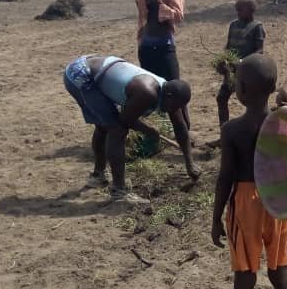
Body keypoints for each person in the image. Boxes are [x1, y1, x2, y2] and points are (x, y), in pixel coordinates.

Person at [211, 56, 287, 289]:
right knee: (280, 272)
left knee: (245, 277)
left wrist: (216, 218)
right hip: (279, 199)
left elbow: (225, 179)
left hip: (245, 204)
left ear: (240, 90)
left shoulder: (231, 130)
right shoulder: (284, 123)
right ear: (272, 87)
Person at [63, 55, 200, 204]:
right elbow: (125, 121)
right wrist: (148, 129)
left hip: (100, 69)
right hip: (81, 74)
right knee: (116, 129)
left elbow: (180, 127)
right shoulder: (147, 93)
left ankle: (97, 176)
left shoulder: (171, 94)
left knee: (105, 124)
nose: (175, 110)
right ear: (169, 96)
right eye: (175, 106)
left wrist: (189, 162)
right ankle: (119, 191)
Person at [135, 0, 188, 126]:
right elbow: (143, 18)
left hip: (165, 45)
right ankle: (161, 128)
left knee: (174, 88)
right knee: (150, 88)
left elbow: (178, 16)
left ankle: (185, 128)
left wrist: (158, 3)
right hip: (146, 45)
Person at [216, 0, 267, 126]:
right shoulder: (233, 25)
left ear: (251, 10)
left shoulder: (257, 27)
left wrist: (241, 62)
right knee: (221, 98)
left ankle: (255, 132)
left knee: (251, 103)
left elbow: (259, 50)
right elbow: (228, 46)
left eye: (240, 10)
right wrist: (224, 59)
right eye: (236, 9)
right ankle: (224, 131)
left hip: (248, 71)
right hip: (232, 71)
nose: (237, 12)